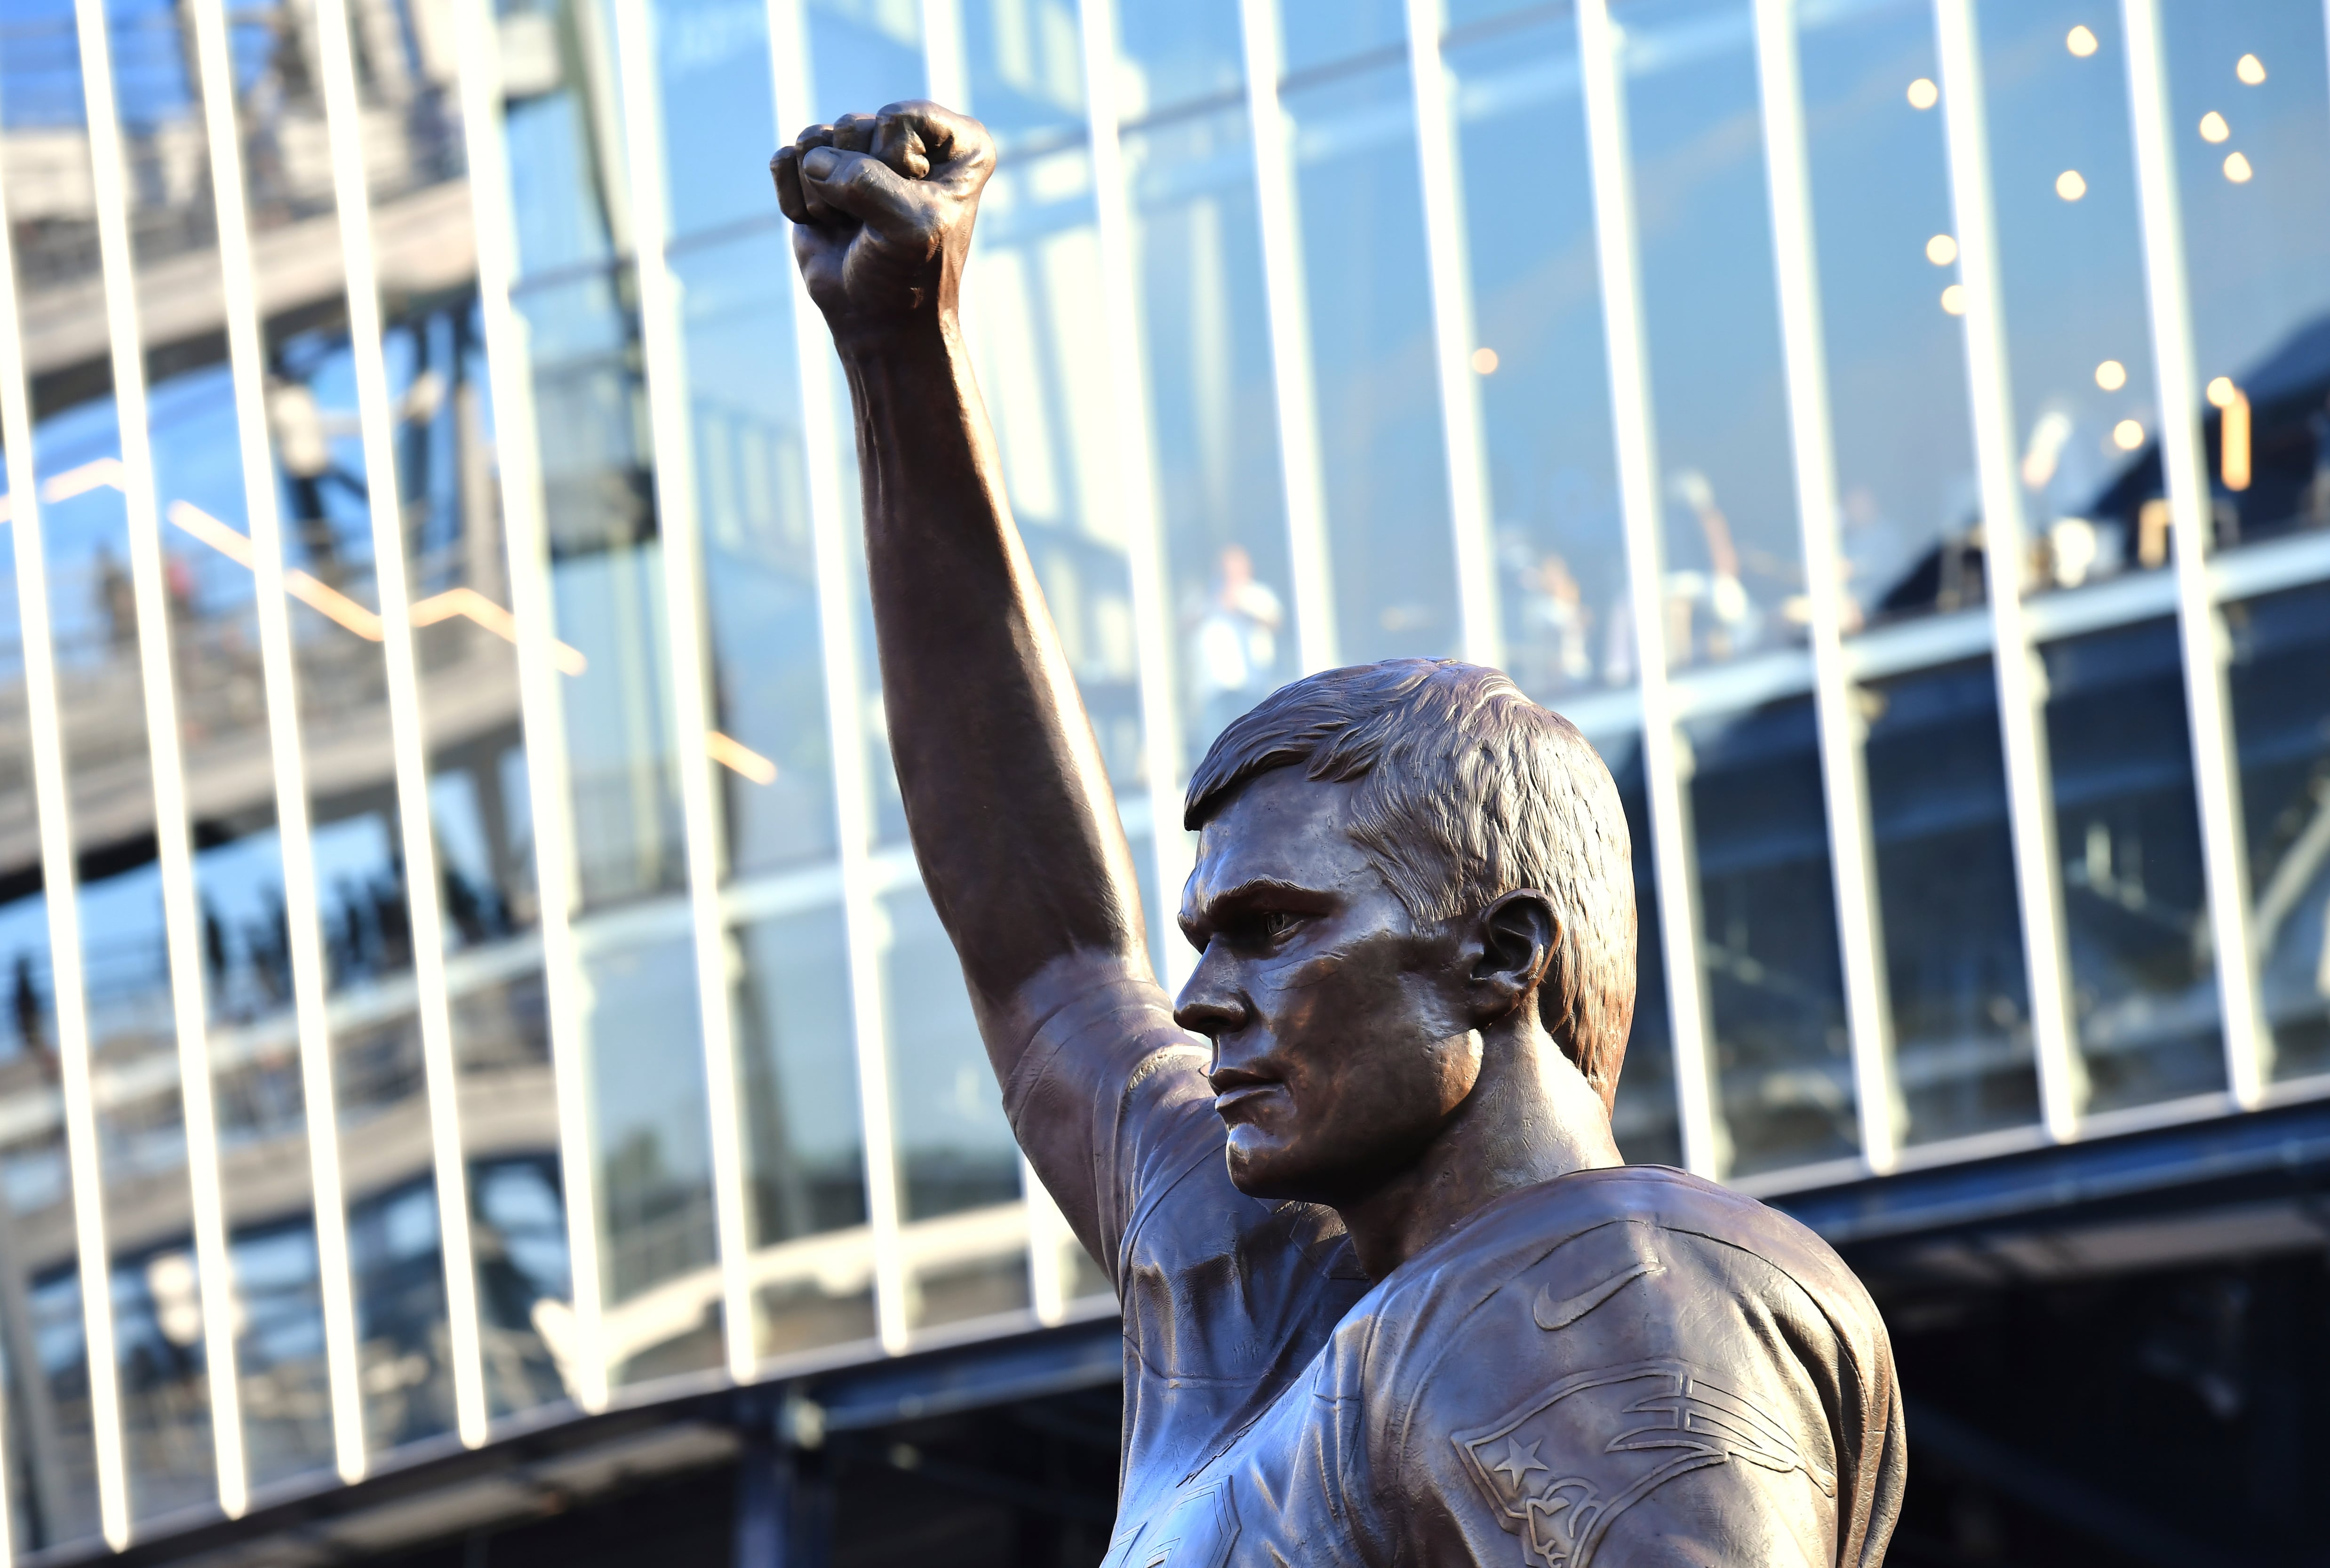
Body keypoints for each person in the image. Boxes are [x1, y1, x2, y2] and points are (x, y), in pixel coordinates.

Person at [773, 103, 1902, 1564]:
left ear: (1499, 952)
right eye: (1207, 938)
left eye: (1273, 928)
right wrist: (899, 351)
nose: (1200, 998)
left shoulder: (1605, 1298)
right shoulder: (1257, 1282)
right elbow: (1049, 957)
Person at [1187, 543, 1285, 753]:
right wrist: (1214, 603)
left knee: (1252, 745)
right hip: (1212, 687)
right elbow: (1185, 624)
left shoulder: (1257, 594)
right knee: (1213, 749)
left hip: (1250, 685)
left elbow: (1275, 622)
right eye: (1226, 567)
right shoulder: (1205, 596)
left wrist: (1241, 607)